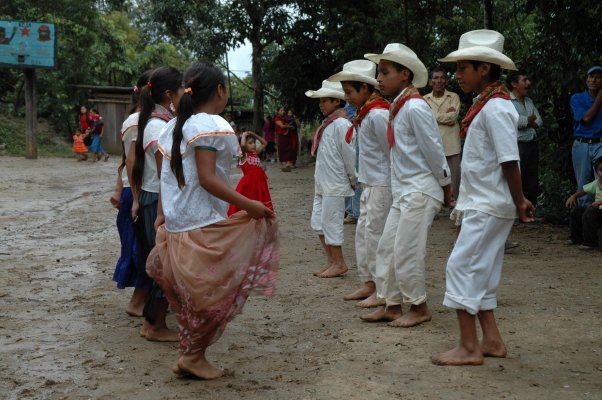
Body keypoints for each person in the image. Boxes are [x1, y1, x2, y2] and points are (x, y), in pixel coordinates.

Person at [146, 61, 277, 379]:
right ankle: (193, 356)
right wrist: (252, 205)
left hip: (178, 225)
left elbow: (168, 172)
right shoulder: (209, 125)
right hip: (199, 226)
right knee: (213, 296)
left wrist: (162, 216)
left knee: (195, 297)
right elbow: (207, 179)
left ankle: (190, 354)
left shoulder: (176, 124)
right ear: (220, 90)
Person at [432, 29, 535, 366]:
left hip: (489, 203)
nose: (456, 75)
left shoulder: (496, 109)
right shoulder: (487, 105)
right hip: (484, 201)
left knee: (461, 267)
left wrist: (520, 200)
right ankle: (491, 341)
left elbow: (509, 159)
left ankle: (469, 347)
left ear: (484, 69)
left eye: (463, 68)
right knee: (482, 270)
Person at [360, 44, 453, 327]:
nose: (379, 78)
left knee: (407, 249)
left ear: (404, 74)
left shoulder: (414, 107)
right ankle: (392, 303)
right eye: (379, 72)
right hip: (404, 189)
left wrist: (446, 185)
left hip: (420, 189)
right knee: (387, 247)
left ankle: (419, 306)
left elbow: (434, 150)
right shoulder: (398, 107)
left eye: (385, 72)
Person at [327, 59, 392, 307]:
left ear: (365, 89)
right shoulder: (365, 114)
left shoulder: (377, 114)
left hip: (382, 184)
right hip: (369, 182)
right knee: (364, 235)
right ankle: (369, 281)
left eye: (349, 92)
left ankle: (381, 287)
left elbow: (390, 152)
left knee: (376, 236)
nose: (346, 97)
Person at [127, 66, 183, 342]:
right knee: (164, 263)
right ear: (170, 94)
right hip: (157, 199)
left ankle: (154, 321)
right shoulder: (158, 126)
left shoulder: (156, 121)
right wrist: (165, 211)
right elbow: (165, 176)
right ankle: (154, 325)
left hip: (153, 198)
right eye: (183, 88)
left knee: (161, 261)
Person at [109, 70, 153, 317]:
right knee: (141, 248)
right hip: (137, 191)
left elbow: (125, 160)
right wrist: (133, 196)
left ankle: (145, 301)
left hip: (133, 190)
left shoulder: (144, 120)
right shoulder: (138, 122)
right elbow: (131, 161)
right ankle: (138, 302)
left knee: (141, 246)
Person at [305, 79, 356, 278]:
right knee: (318, 222)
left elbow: (349, 154)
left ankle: (339, 262)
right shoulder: (328, 124)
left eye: (325, 100)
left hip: (335, 183)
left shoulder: (342, 124)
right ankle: (331, 260)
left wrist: (353, 178)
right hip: (323, 182)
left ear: (337, 101)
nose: (321, 104)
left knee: (331, 223)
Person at [424, 66, 462, 199]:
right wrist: (444, 115)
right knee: (433, 178)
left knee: (455, 179)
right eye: (436, 78)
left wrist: (432, 116)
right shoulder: (424, 100)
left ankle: (454, 205)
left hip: (452, 145)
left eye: (442, 78)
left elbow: (453, 118)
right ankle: (436, 205)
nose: (439, 81)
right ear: (430, 82)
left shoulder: (453, 96)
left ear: (446, 81)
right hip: (432, 145)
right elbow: (423, 121)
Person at [507, 70, 543, 206]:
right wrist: (528, 121)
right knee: (516, 177)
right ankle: (514, 209)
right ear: (514, 84)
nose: (529, 83)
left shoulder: (529, 101)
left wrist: (527, 121)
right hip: (517, 144)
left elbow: (539, 121)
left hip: (532, 143)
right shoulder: (507, 101)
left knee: (531, 178)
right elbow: (513, 121)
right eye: (525, 80)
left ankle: (530, 209)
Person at [570, 66, 602, 207]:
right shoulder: (577, 98)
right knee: (583, 183)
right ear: (586, 80)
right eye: (591, 76)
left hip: (600, 143)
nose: (594, 80)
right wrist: (599, 100)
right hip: (581, 144)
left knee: (601, 182)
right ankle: (584, 220)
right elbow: (586, 118)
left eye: (598, 77)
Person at [227, 131, 273, 216]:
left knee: (260, 200)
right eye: (250, 143)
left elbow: (264, 143)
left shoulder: (255, 153)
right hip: (249, 184)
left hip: (260, 183)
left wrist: (254, 134)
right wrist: (244, 135)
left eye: (254, 143)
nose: (254, 145)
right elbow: (243, 145)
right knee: (249, 201)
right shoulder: (243, 155)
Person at [565, 157, 602, 250]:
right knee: (576, 211)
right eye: (601, 170)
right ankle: (576, 238)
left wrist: (598, 203)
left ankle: (590, 243)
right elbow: (584, 190)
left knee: (590, 211)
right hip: (597, 210)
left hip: (597, 210)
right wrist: (574, 196)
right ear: (596, 172)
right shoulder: (597, 182)